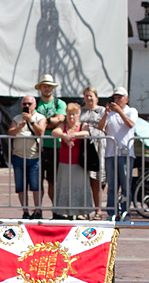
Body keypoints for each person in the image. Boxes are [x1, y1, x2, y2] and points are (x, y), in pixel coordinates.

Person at [97, 86, 137, 220]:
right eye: (115, 97)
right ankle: (111, 212)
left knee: (126, 185)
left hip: (126, 153)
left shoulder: (131, 111)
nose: (117, 100)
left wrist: (120, 112)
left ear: (126, 99)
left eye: (120, 97)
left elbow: (131, 124)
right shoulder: (108, 112)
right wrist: (106, 114)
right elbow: (100, 127)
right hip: (110, 153)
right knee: (112, 185)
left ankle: (126, 211)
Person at [8, 94, 46, 218]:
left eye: (29, 104)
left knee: (36, 186)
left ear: (35, 105)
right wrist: (19, 126)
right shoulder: (16, 118)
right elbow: (10, 132)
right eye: (24, 104)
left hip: (34, 157)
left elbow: (41, 132)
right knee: (21, 187)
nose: (27, 106)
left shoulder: (40, 117)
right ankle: (25, 211)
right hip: (18, 157)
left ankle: (38, 210)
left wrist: (31, 121)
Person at [52, 102, 93, 219]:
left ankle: (81, 212)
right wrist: (65, 136)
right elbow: (55, 132)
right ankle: (66, 212)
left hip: (78, 163)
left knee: (79, 187)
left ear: (78, 115)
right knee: (65, 187)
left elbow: (86, 132)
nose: (71, 117)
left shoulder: (82, 125)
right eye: (69, 114)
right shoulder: (63, 126)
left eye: (74, 114)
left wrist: (73, 134)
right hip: (64, 162)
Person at [35, 74, 66, 214]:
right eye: (44, 86)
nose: (47, 89)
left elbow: (59, 119)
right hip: (38, 146)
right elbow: (35, 122)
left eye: (49, 86)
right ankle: (38, 209)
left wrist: (43, 122)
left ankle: (55, 209)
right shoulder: (35, 102)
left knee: (53, 181)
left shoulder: (59, 103)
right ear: (40, 87)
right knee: (38, 180)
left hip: (55, 147)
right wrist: (49, 122)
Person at [79, 86, 107, 219]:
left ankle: (98, 210)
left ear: (96, 97)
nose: (89, 98)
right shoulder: (81, 111)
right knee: (84, 180)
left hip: (98, 147)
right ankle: (85, 209)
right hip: (84, 147)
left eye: (91, 96)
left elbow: (103, 127)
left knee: (97, 179)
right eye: (86, 96)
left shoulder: (102, 110)